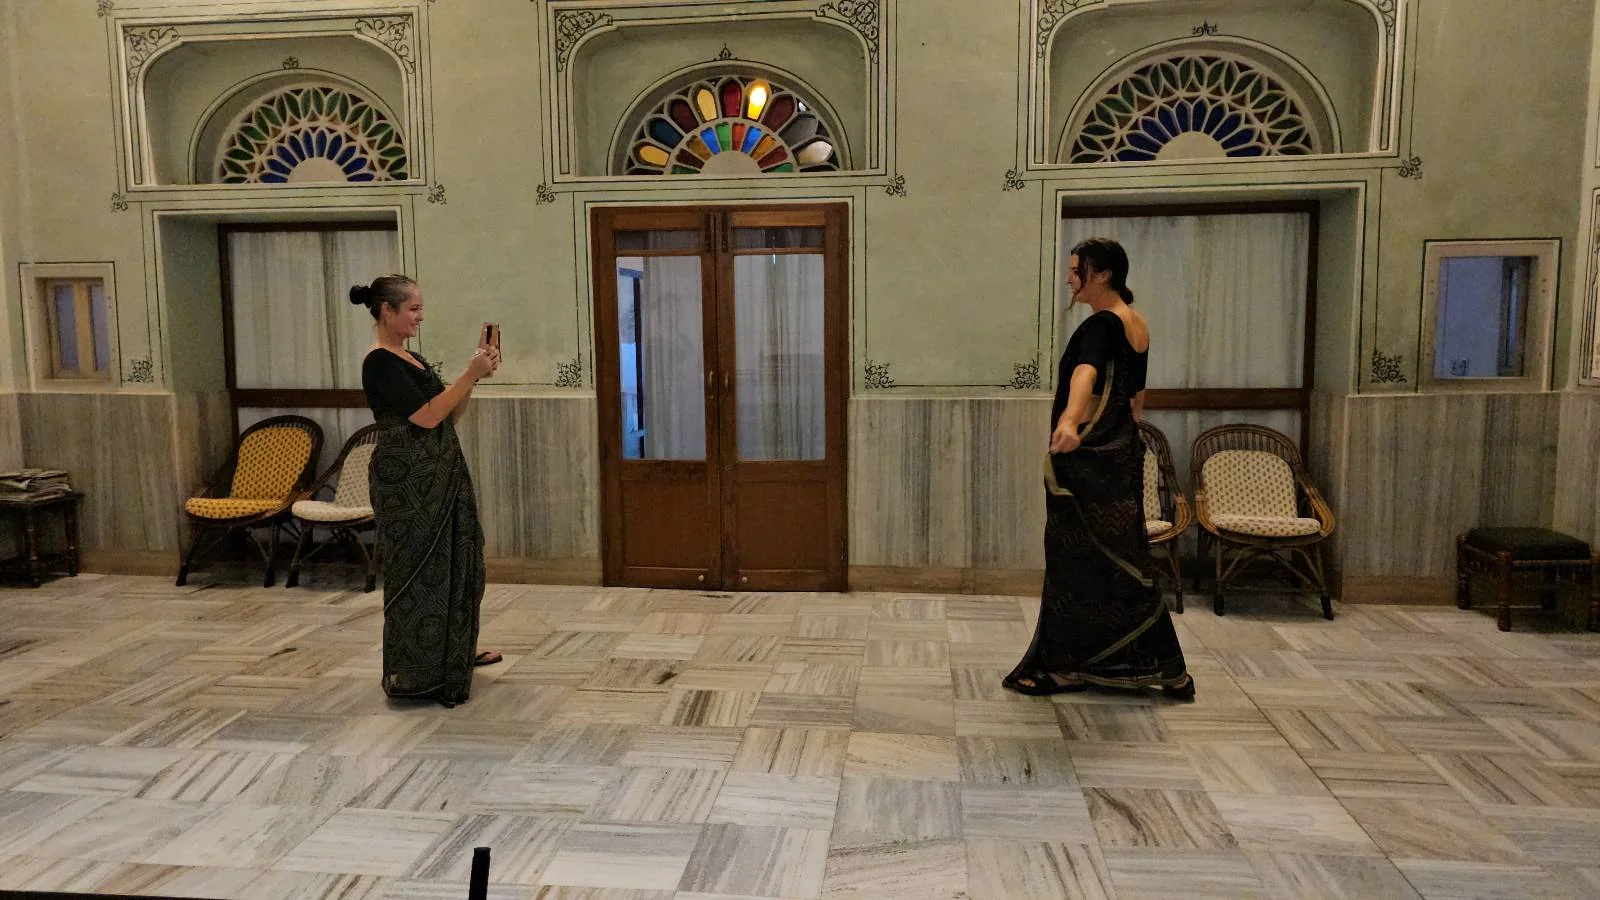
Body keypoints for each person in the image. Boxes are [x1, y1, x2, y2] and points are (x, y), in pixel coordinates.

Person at [1004, 238, 1193, 700]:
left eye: (1076, 270)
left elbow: (1085, 374)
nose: (1070, 278)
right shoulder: (1137, 323)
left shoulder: (1101, 325)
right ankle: (1167, 669)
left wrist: (1070, 423)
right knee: (1125, 561)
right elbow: (1136, 400)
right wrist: (1121, 438)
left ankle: (1067, 669)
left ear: (1102, 274)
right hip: (1120, 453)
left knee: (1075, 563)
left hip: (1088, 461)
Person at [351, 274, 502, 707]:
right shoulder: (379, 362)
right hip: (408, 483)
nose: (420, 316)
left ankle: (454, 653)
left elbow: (449, 414)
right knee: (418, 572)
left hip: (440, 471)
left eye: (420, 308)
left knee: (457, 561)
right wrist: (468, 373)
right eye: (413, 309)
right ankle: (417, 672)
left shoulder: (412, 357)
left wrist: (475, 375)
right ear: (387, 312)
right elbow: (425, 418)